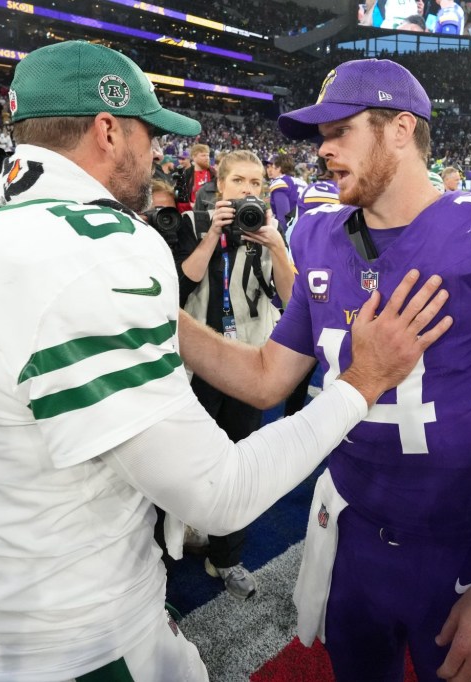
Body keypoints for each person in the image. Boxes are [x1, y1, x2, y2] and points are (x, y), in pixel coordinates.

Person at [0, 41, 452, 682]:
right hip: (71, 644)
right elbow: (221, 494)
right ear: (108, 129)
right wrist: (362, 381)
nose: (156, 152)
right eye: (150, 134)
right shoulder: (101, 251)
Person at [179, 58, 471, 682]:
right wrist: (158, 319)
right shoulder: (315, 235)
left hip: (462, 542)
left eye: (340, 131)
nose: (325, 151)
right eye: (320, 138)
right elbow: (264, 376)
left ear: (400, 129)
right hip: (353, 534)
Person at [176, 149, 294, 599]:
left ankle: (225, 557)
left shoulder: (268, 227)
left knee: (239, 459)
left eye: (256, 183)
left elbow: (291, 297)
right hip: (199, 362)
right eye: (239, 182)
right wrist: (211, 236)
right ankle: (175, 534)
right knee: (186, 458)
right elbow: (181, 285)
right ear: (219, 185)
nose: (249, 190)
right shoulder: (190, 224)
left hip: (248, 359)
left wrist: (276, 247)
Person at [174, 142, 213, 212]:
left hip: (210, 212)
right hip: (191, 212)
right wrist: (190, 205)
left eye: (208, 155)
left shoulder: (214, 174)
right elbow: (180, 197)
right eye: (203, 155)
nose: (207, 158)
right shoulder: (186, 174)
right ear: (194, 157)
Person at [268, 153, 300, 231]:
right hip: (303, 230)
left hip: (290, 232)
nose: (271, 170)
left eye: (273, 167)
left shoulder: (280, 182)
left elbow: (283, 217)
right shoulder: (302, 182)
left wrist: (282, 239)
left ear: (278, 168)